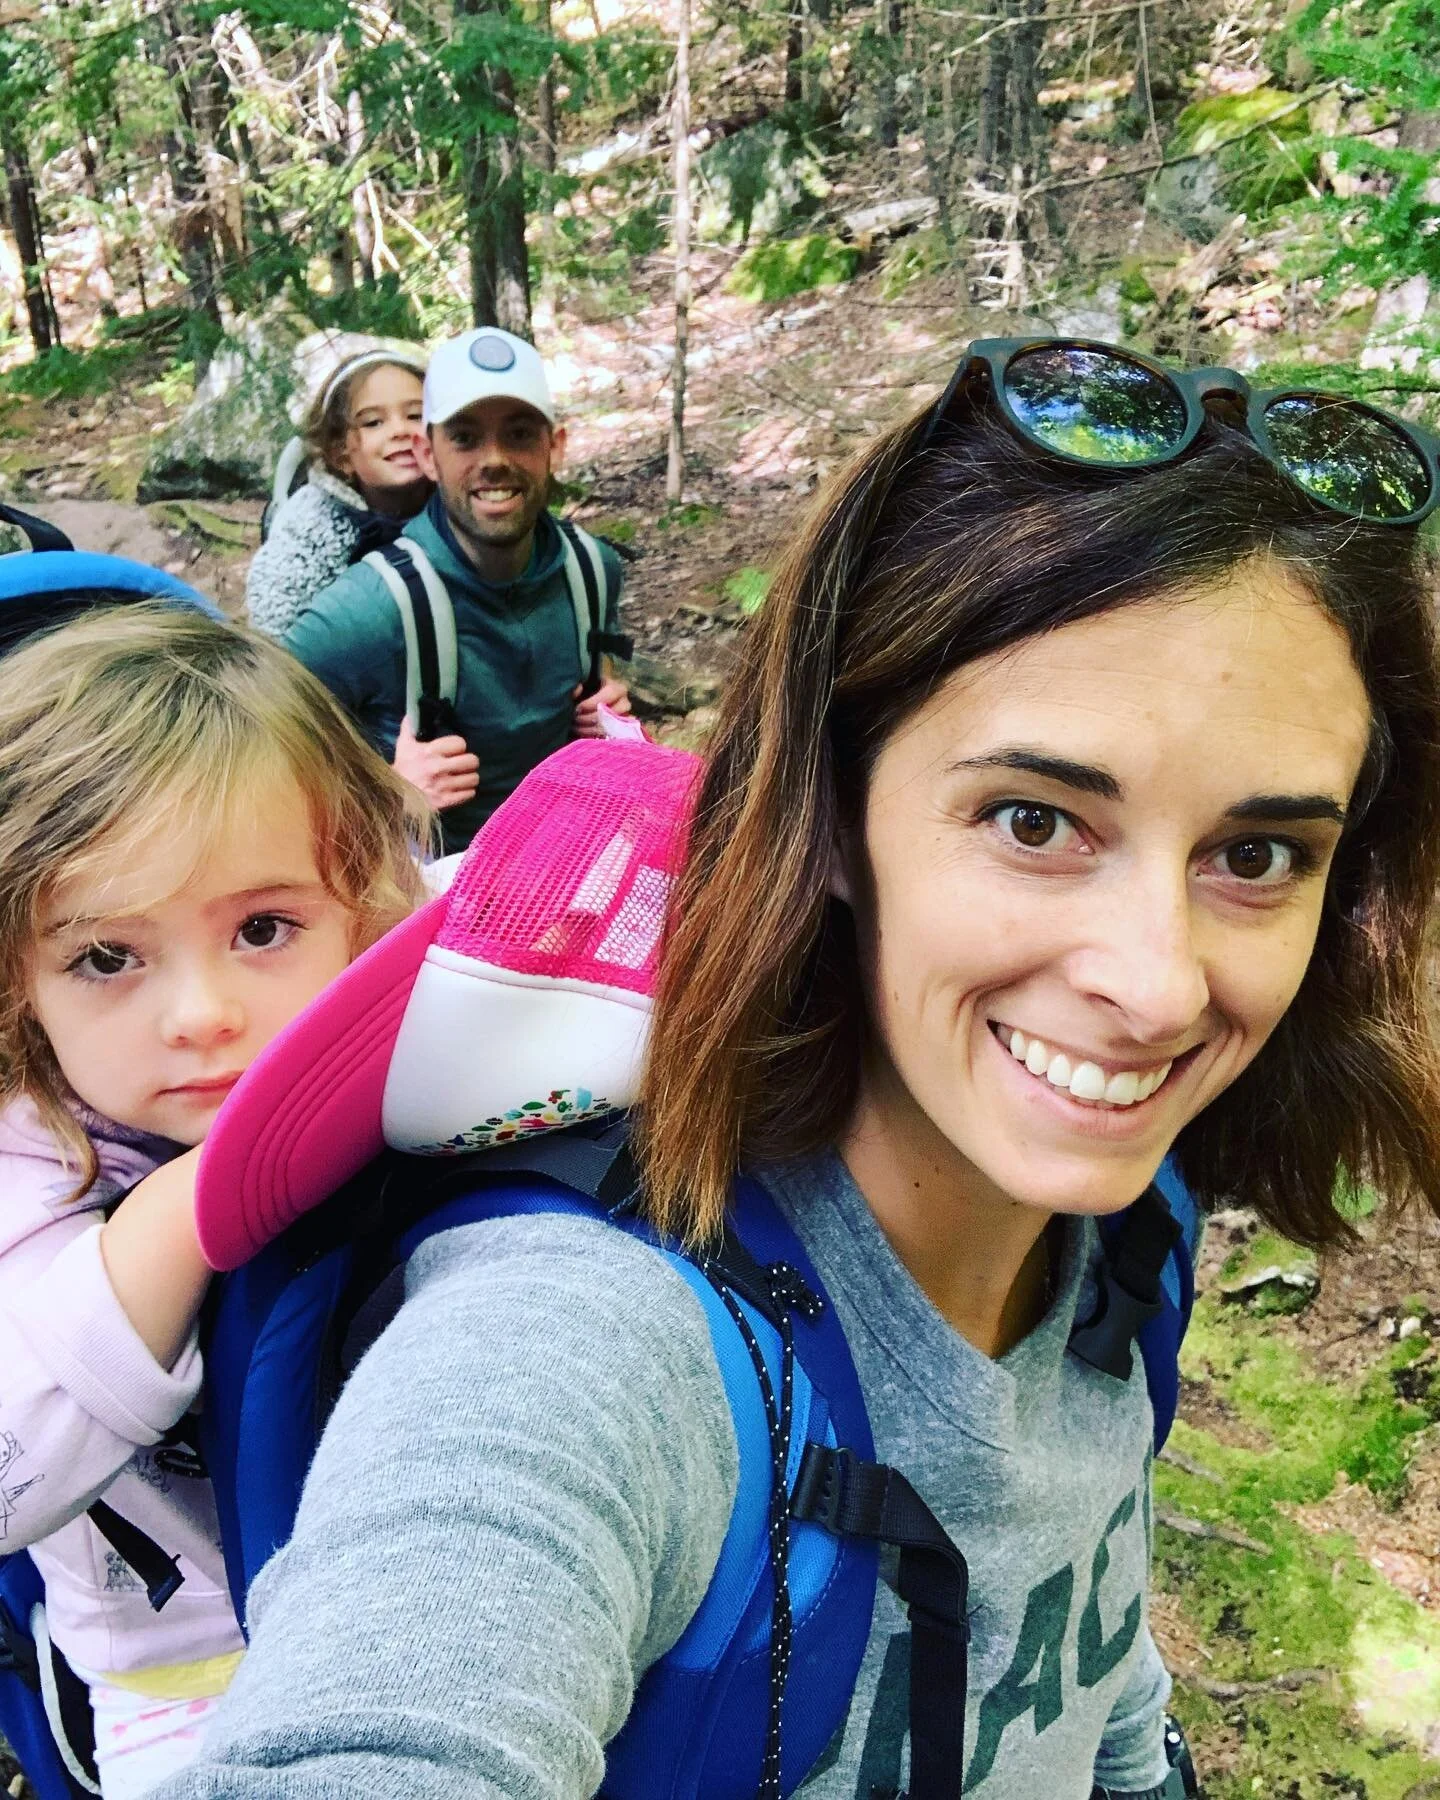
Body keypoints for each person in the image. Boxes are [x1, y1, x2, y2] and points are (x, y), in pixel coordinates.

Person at [150, 341, 1440, 1799]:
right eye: (1034, 821)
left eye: (1259, 856)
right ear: (825, 807)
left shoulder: (1123, 1234)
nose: (1155, 985)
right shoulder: (581, 1351)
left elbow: (1088, 1651)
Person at [0, 604, 428, 1799]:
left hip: (391, 1584)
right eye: (105, 957)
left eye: (261, 928)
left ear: (358, 907)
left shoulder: (372, 1004)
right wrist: (203, 1198)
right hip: (183, 1669)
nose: (202, 1014)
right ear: (18, 982)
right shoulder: (35, 1149)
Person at [281, 327, 632, 851]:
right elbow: (255, 742)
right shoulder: (370, 609)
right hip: (437, 895)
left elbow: (597, 681)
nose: (494, 458)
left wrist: (612, 719)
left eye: (518, 433)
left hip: (573, 864)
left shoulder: (593, 570)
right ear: (427, 454)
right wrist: (387, 793)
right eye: (465, 437)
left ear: (554, 447)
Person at [245, 344, 432, 641]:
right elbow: (274, 628)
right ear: (340, 454)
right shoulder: (310, 525)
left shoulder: (456, 503)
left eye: (415, 415)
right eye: (373, 422)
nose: (401, 430)